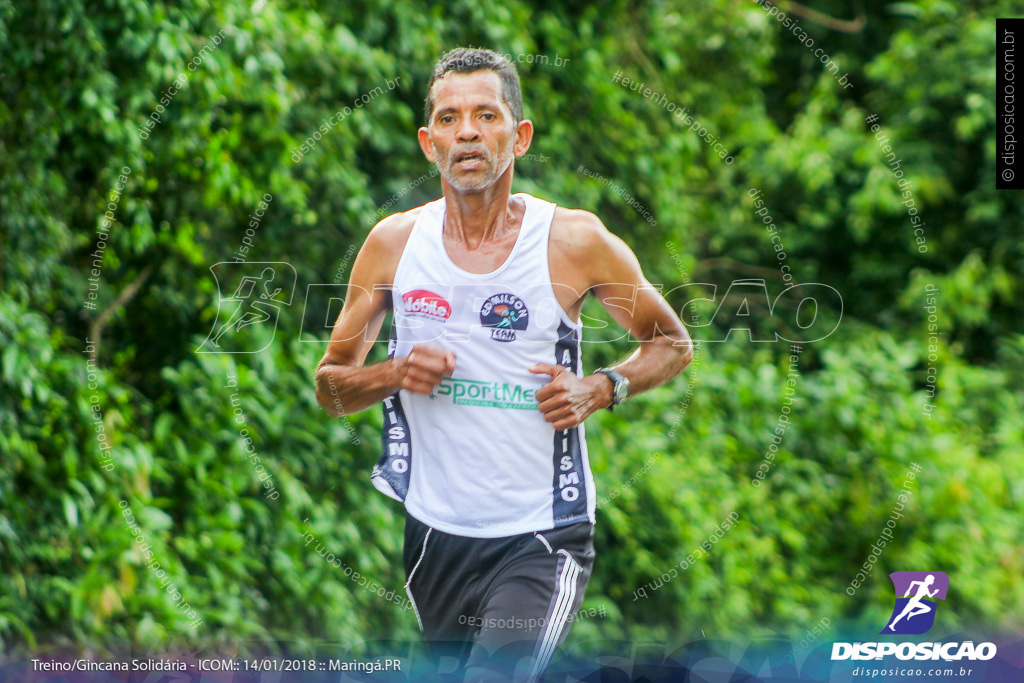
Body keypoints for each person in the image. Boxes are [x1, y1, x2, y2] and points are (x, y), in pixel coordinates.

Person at [315, 47, 693, 680]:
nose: (467, 131)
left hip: (542, 535)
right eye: (449, 118)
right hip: (434, 536)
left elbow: (673, 343)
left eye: (486, 116)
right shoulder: (392, 245)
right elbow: (331, 387)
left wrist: (602, 387)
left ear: (519, 138)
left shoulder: (574, 242)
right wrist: (390, 374)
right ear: (427, 142)